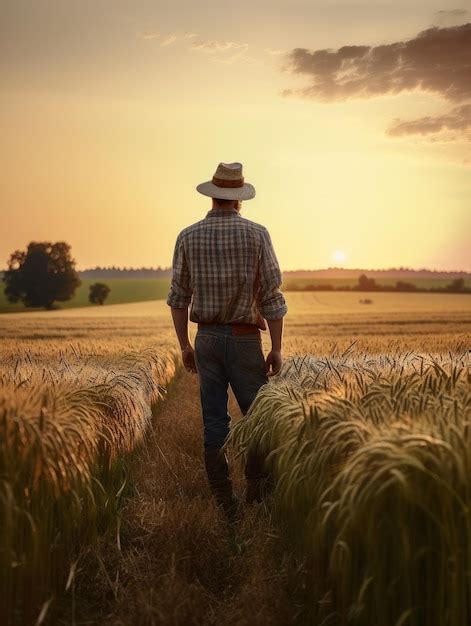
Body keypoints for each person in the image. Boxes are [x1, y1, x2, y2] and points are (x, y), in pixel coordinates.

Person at [166, 161, 288, 523]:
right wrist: (276, 347)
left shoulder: (187, 236)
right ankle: (256, 490)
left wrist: (185, 346)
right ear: (238, 199)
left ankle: (223, 500)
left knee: (214, 421)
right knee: (257, 418)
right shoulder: (257, 234)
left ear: (214, 195)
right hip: (245, 338)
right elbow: (272, 295)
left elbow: (178, 297)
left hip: (206, 338)